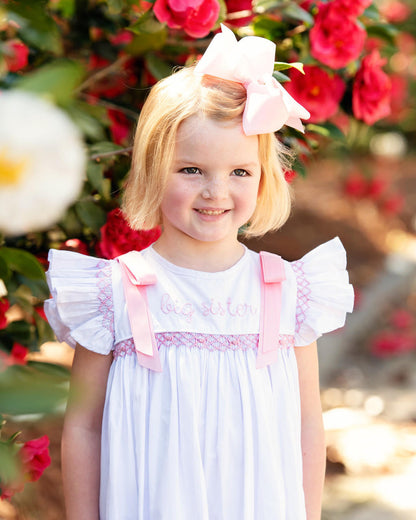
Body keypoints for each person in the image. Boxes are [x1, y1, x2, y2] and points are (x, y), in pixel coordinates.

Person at [45, 25, 354, 520]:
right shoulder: (115, 293)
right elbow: (84, 425)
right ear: (152, 169)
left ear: (263, 176)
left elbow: (307, 424)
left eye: (239, 172)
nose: (217, 192)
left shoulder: (287, 290)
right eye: (191, 170)